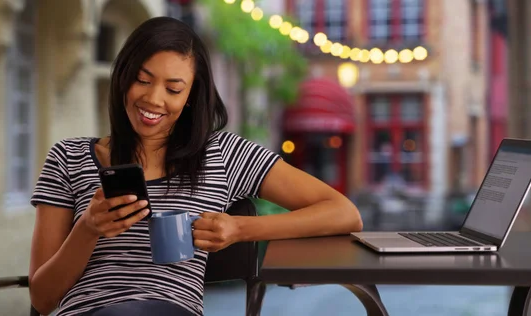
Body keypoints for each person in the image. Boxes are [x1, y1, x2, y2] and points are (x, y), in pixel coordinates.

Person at [28, 16, 362, 316]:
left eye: (173, 88)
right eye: (143, 80)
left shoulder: (223, 154)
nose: (154, 99)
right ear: (123, 77)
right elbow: (42, 299)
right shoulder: (68, 157)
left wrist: (238, 229)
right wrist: (87, 228)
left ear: (190, 96)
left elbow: (343, 213)